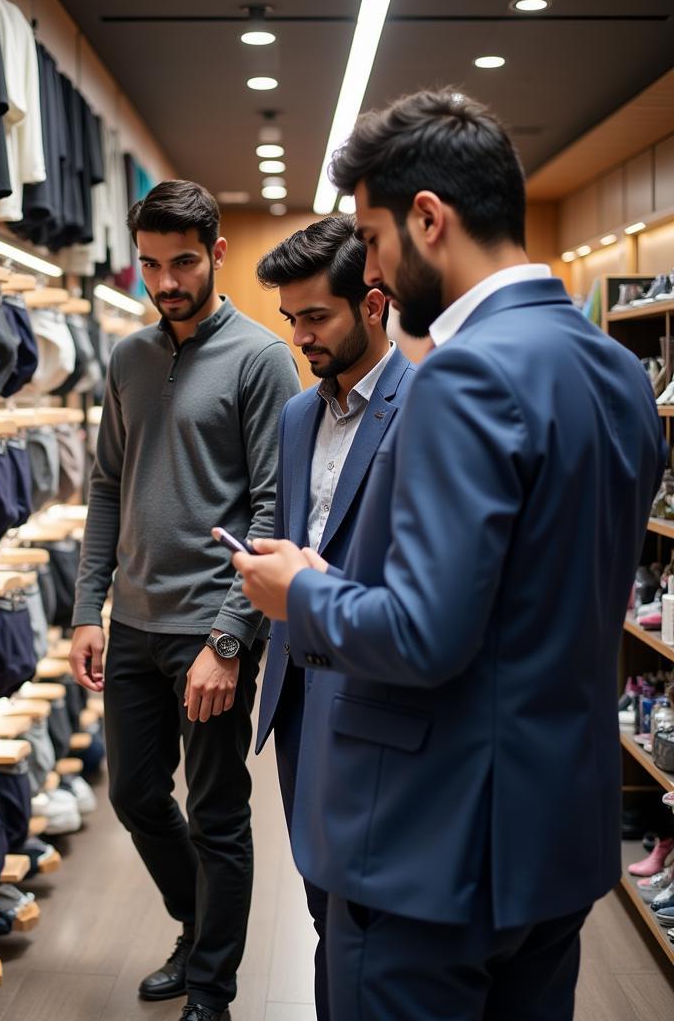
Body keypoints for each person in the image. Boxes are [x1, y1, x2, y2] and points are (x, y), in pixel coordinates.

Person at [234, 89, 667, 1021]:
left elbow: (424, 633)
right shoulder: (616, 372)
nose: (376, 267)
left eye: (376, 238)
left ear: (428, 218)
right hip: (554, 836)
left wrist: (299, 592)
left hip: (429, 843)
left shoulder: (465, 374)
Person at [68, 179, 300, 1021]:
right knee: (132, 793)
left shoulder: (261, 358)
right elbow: (105, 485)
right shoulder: (128, 359)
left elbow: (273, 510)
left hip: (210, 626)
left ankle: (211, 985)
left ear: (218, 254)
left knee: (216, 814)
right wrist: (86, 609)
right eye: (153, 265)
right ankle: (198, 925)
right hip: (131, 620)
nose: (167, 282)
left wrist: (232, 640)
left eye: (183, 263)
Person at [253, 215, 416, 1020]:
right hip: (294, 696)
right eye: (291, 319)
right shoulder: (294, 417)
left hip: (374, 691)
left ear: (375, 304)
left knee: (368, 917)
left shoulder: (425, 407)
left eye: (315, 316)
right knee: (321, 901)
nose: (300, 336)